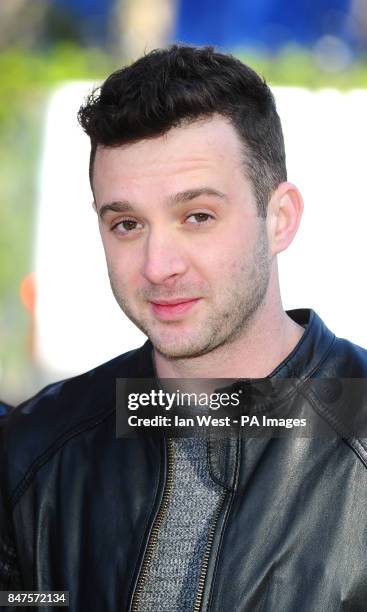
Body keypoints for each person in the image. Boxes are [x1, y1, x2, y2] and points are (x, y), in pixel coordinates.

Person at [1, 45, 367, 612]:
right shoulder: (30, 456)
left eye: (197, 216)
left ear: (280, 219)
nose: (157, 265)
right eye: (126, 223)